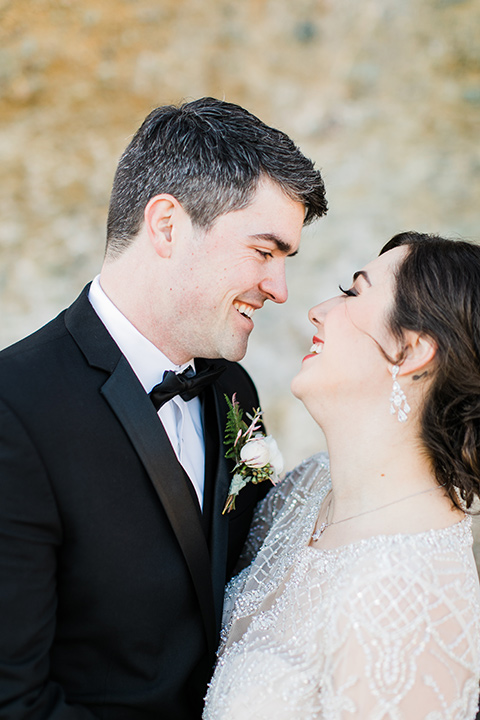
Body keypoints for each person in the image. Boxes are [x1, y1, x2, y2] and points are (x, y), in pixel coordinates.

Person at [0, 97, 327, 719]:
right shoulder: (14, 411)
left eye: (286, 261)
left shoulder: (234, 390)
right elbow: (13, 701)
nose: (280, 290)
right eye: (264, 252)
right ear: (168, 225)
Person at [204, 232, 480, 719]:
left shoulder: (402, 602)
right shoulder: (310, 488)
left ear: (412, 351)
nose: (318, 310)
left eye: (354, 292)